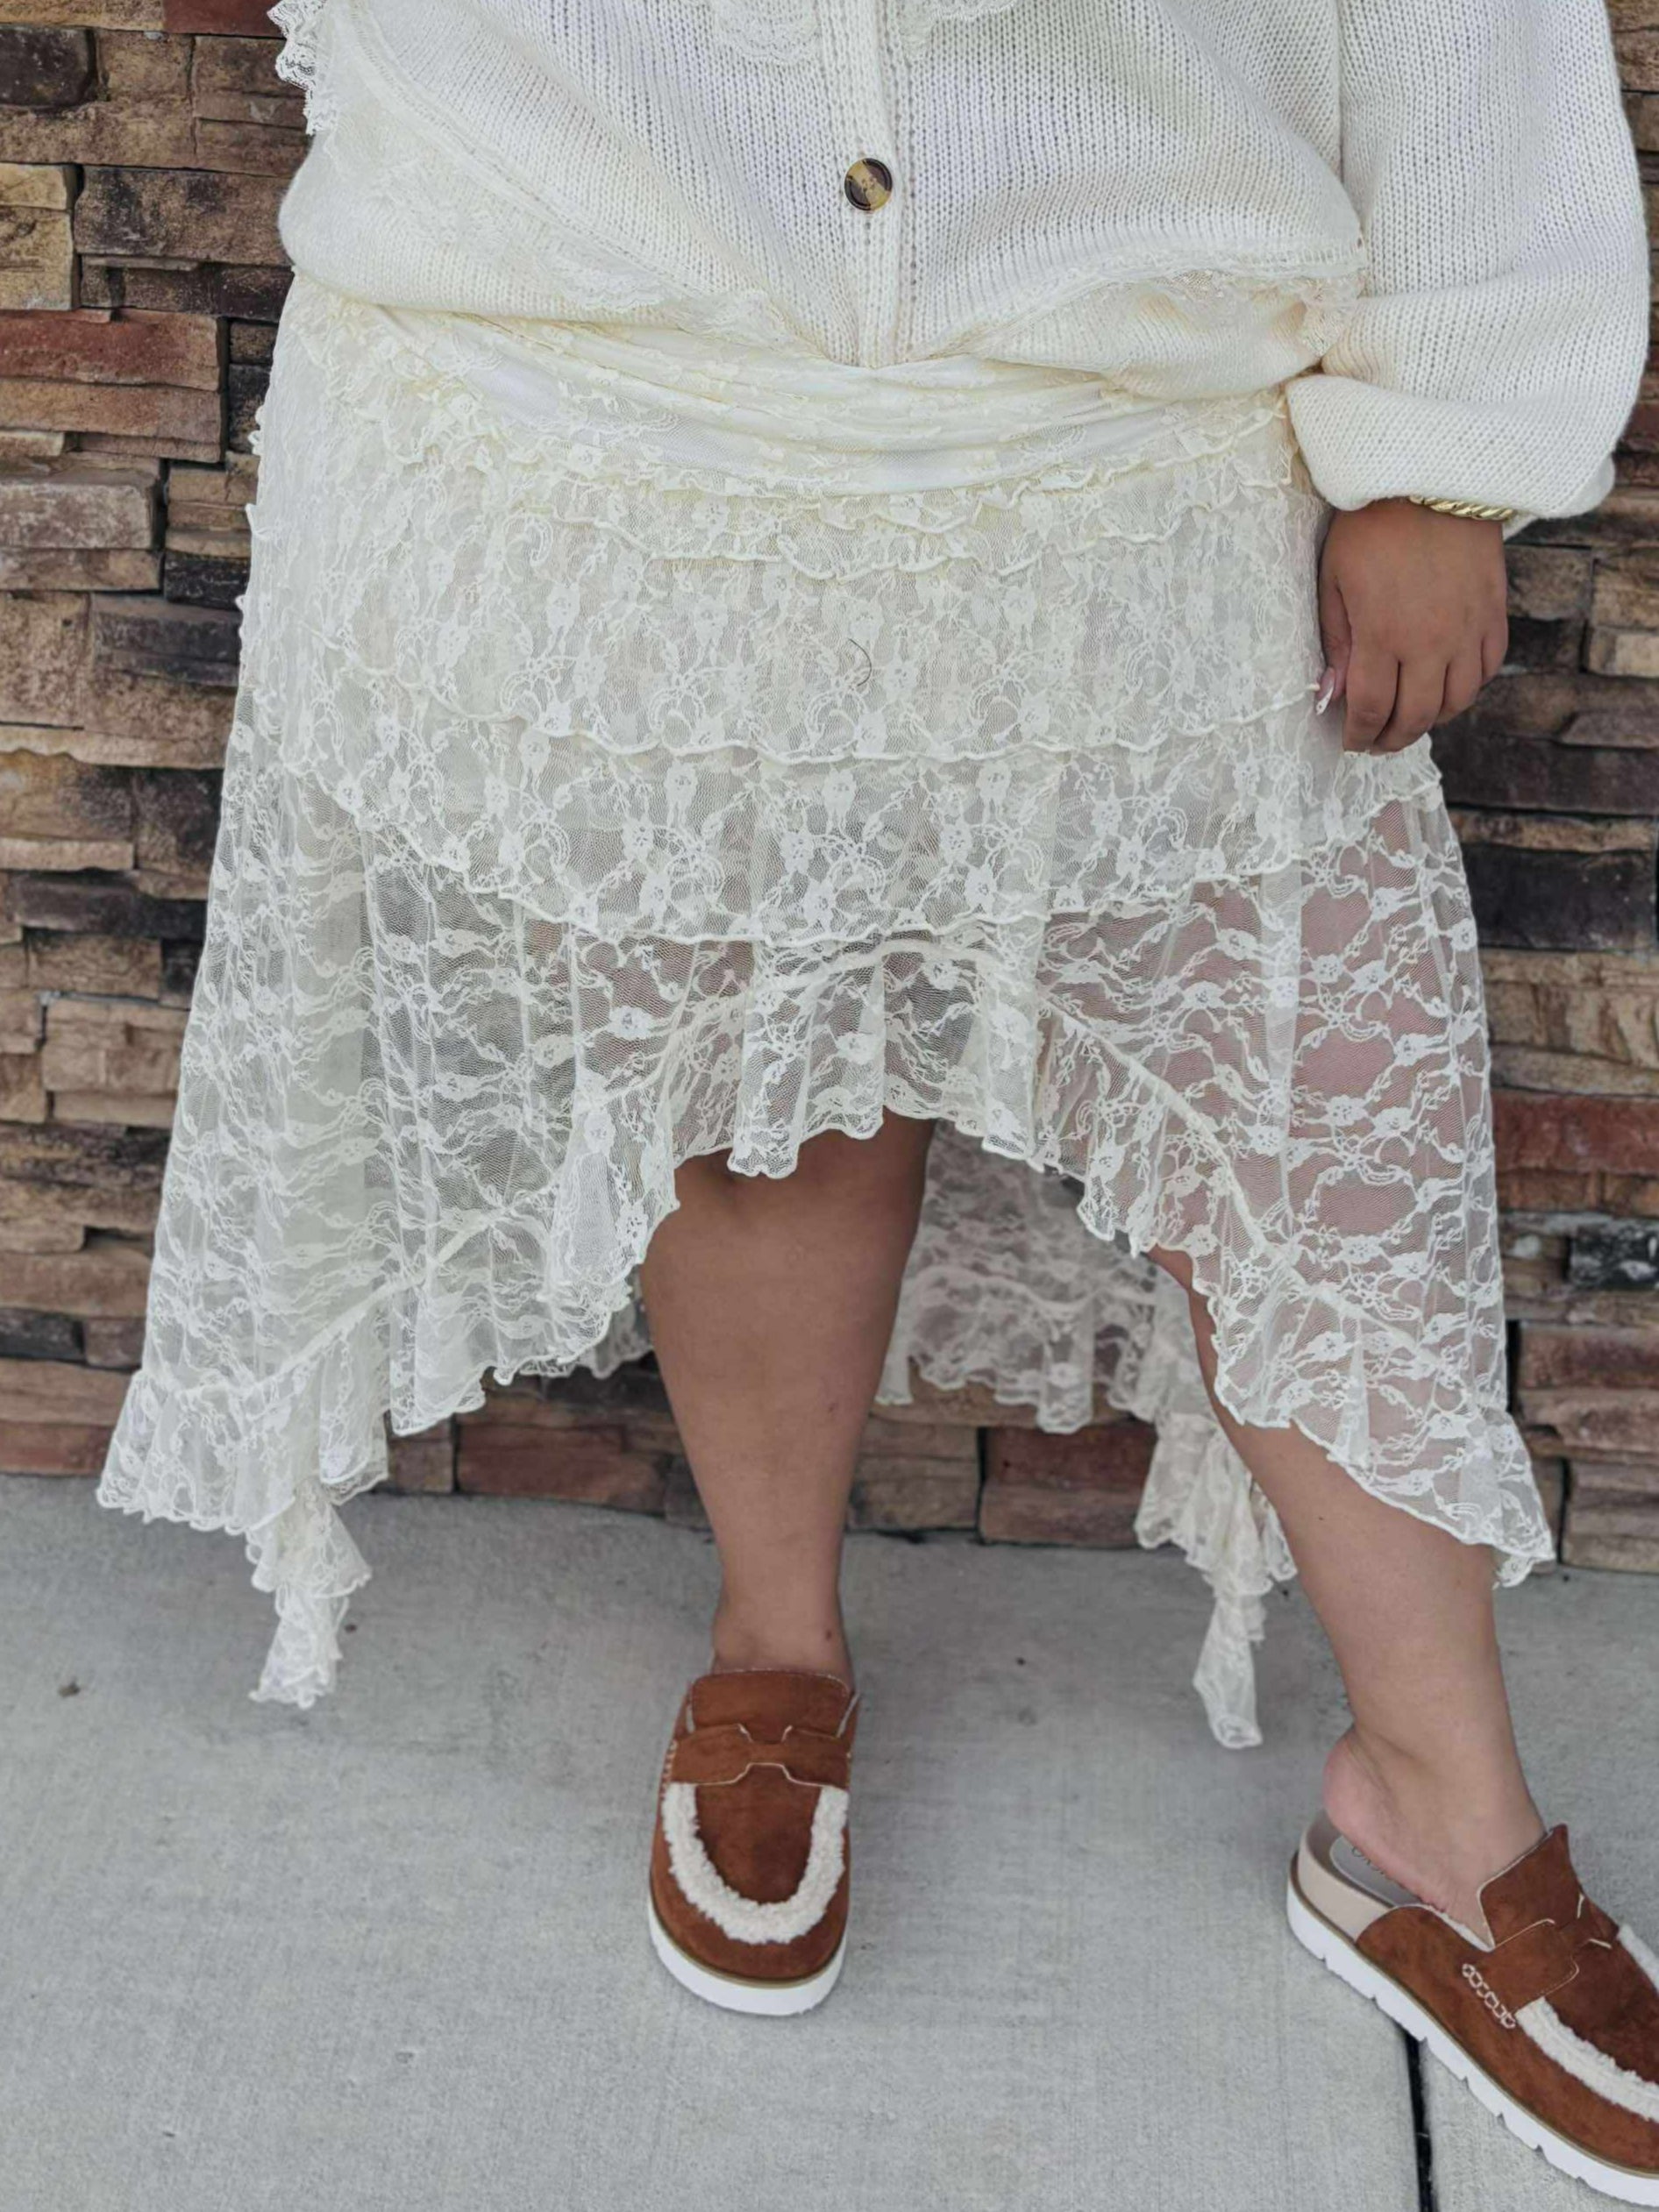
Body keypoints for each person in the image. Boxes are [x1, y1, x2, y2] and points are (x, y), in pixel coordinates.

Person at [98, 1, 1659, 2194]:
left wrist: (1442, 451)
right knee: (761, 1086)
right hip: (594, 396)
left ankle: (1439, 1808)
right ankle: (776, 1649)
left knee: (1305, 1117)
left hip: (1130, 411)